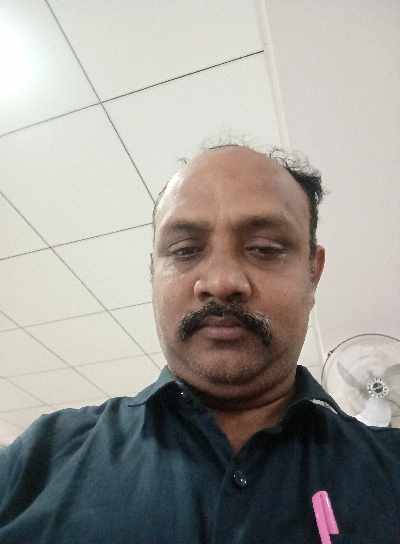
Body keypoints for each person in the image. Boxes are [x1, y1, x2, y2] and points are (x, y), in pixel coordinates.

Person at [0, 144, 399, 543]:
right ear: (153, 273)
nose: (221, 282)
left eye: (264, 249)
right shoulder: (41, 458)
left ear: (313, 274)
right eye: (185, 250)